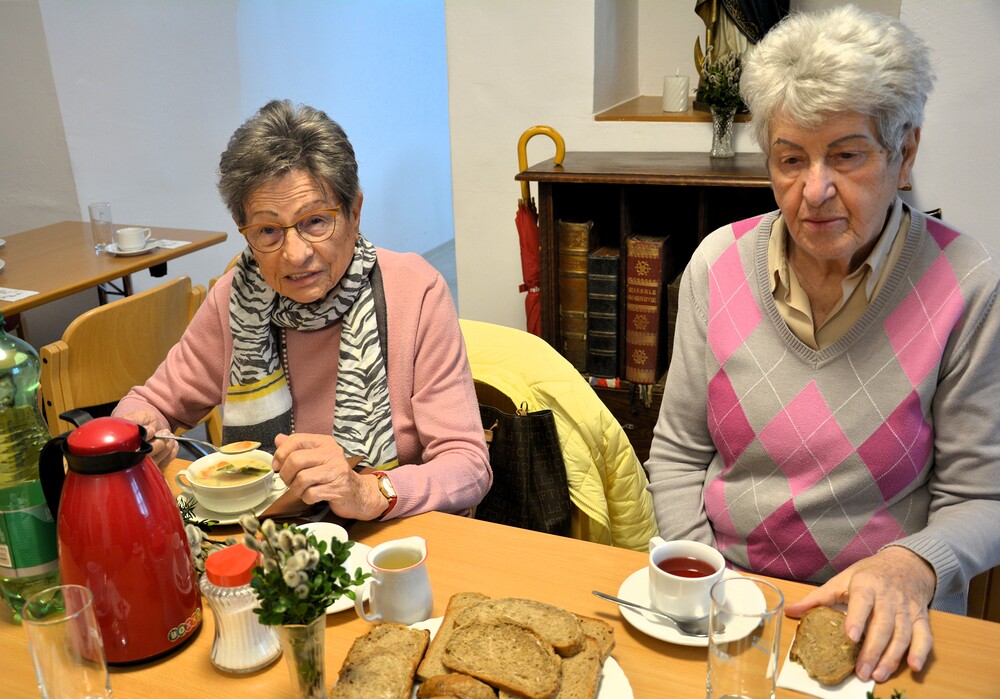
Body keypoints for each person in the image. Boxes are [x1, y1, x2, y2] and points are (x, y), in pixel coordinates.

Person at [647, 4, 1000, 686]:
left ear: (904, 153)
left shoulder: (967, 282)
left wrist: (912, 564)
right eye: (791, 159)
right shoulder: (716, 265)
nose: (814, 190)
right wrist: (710, 588)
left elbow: (984, 495)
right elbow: (679, 452)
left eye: (846, 155)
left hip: (881, 626)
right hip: (732, 609)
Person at [115, 99, 491, 522]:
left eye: (315, 221)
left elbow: (468, 465)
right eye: (268, 230)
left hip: (386, 538)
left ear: (354, 212)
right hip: (265, 534)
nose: (295, 254)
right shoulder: (235, 299)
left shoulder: (414, 291)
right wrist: (140, 430)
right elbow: (149, 404)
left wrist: (370, 491)